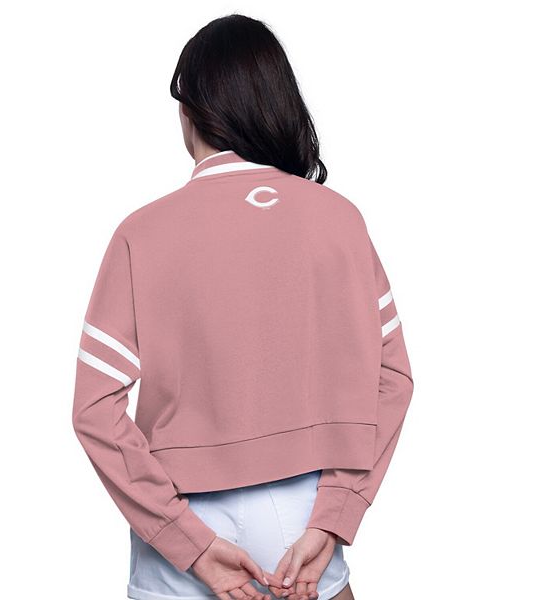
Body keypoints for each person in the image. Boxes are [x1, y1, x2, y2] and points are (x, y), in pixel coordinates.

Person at [72, 13, 414, 600]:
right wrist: (339, 510)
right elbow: (392, 377)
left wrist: (183, 538)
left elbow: (94, 409)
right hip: (308, 513)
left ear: (189, 111)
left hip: (184, 515)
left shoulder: (141, 234)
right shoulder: (339, 220)